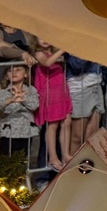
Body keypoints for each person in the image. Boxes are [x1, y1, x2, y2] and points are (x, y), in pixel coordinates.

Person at [0, 63, 40, 160]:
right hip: (8, 133)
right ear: (6, 76)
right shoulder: (2, 92)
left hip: (26, 132)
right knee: (5, 159)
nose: (14, 72)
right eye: (10, 70)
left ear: (26, 74)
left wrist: (23, 99)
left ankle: (22, 175)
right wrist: (9, 101)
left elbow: (35, 105)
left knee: (23, 159)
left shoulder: (31, 90)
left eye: (18, 70)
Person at [32, 39, 72, 171]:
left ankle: (65, 154)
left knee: (66, 122)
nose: (45, 39)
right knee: (52, 125)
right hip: (49, 93)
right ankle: (53, 157)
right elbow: (47, 63)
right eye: (41, 37)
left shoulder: (54, 52)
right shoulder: (38, 53)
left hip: (61, 90)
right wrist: (62, 49)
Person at [64, 54, 105, 154]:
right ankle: (72, 167)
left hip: (96, 84)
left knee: (92, 137)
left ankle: (86, 167)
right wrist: (91, 49)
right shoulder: (73, 42)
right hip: (79, 88)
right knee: (77, 137)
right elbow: (77, 65)